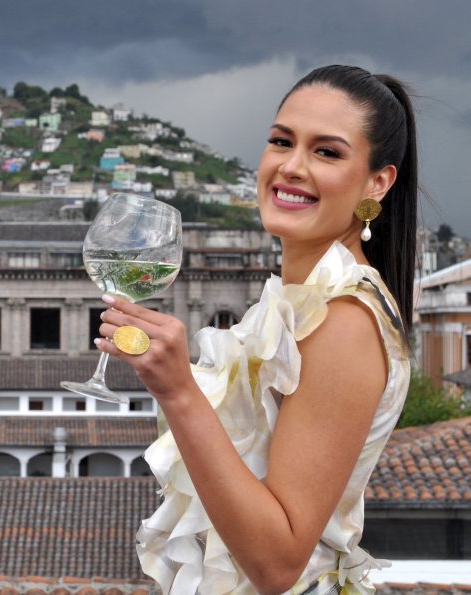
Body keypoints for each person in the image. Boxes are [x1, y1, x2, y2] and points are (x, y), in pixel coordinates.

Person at [96, 65, 417, 595]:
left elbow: (277, 562)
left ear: (377, 183)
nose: (291, 166)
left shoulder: (344, 320)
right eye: (280, 141)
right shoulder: (299, 302)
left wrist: (177, 390)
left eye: (327, 152)